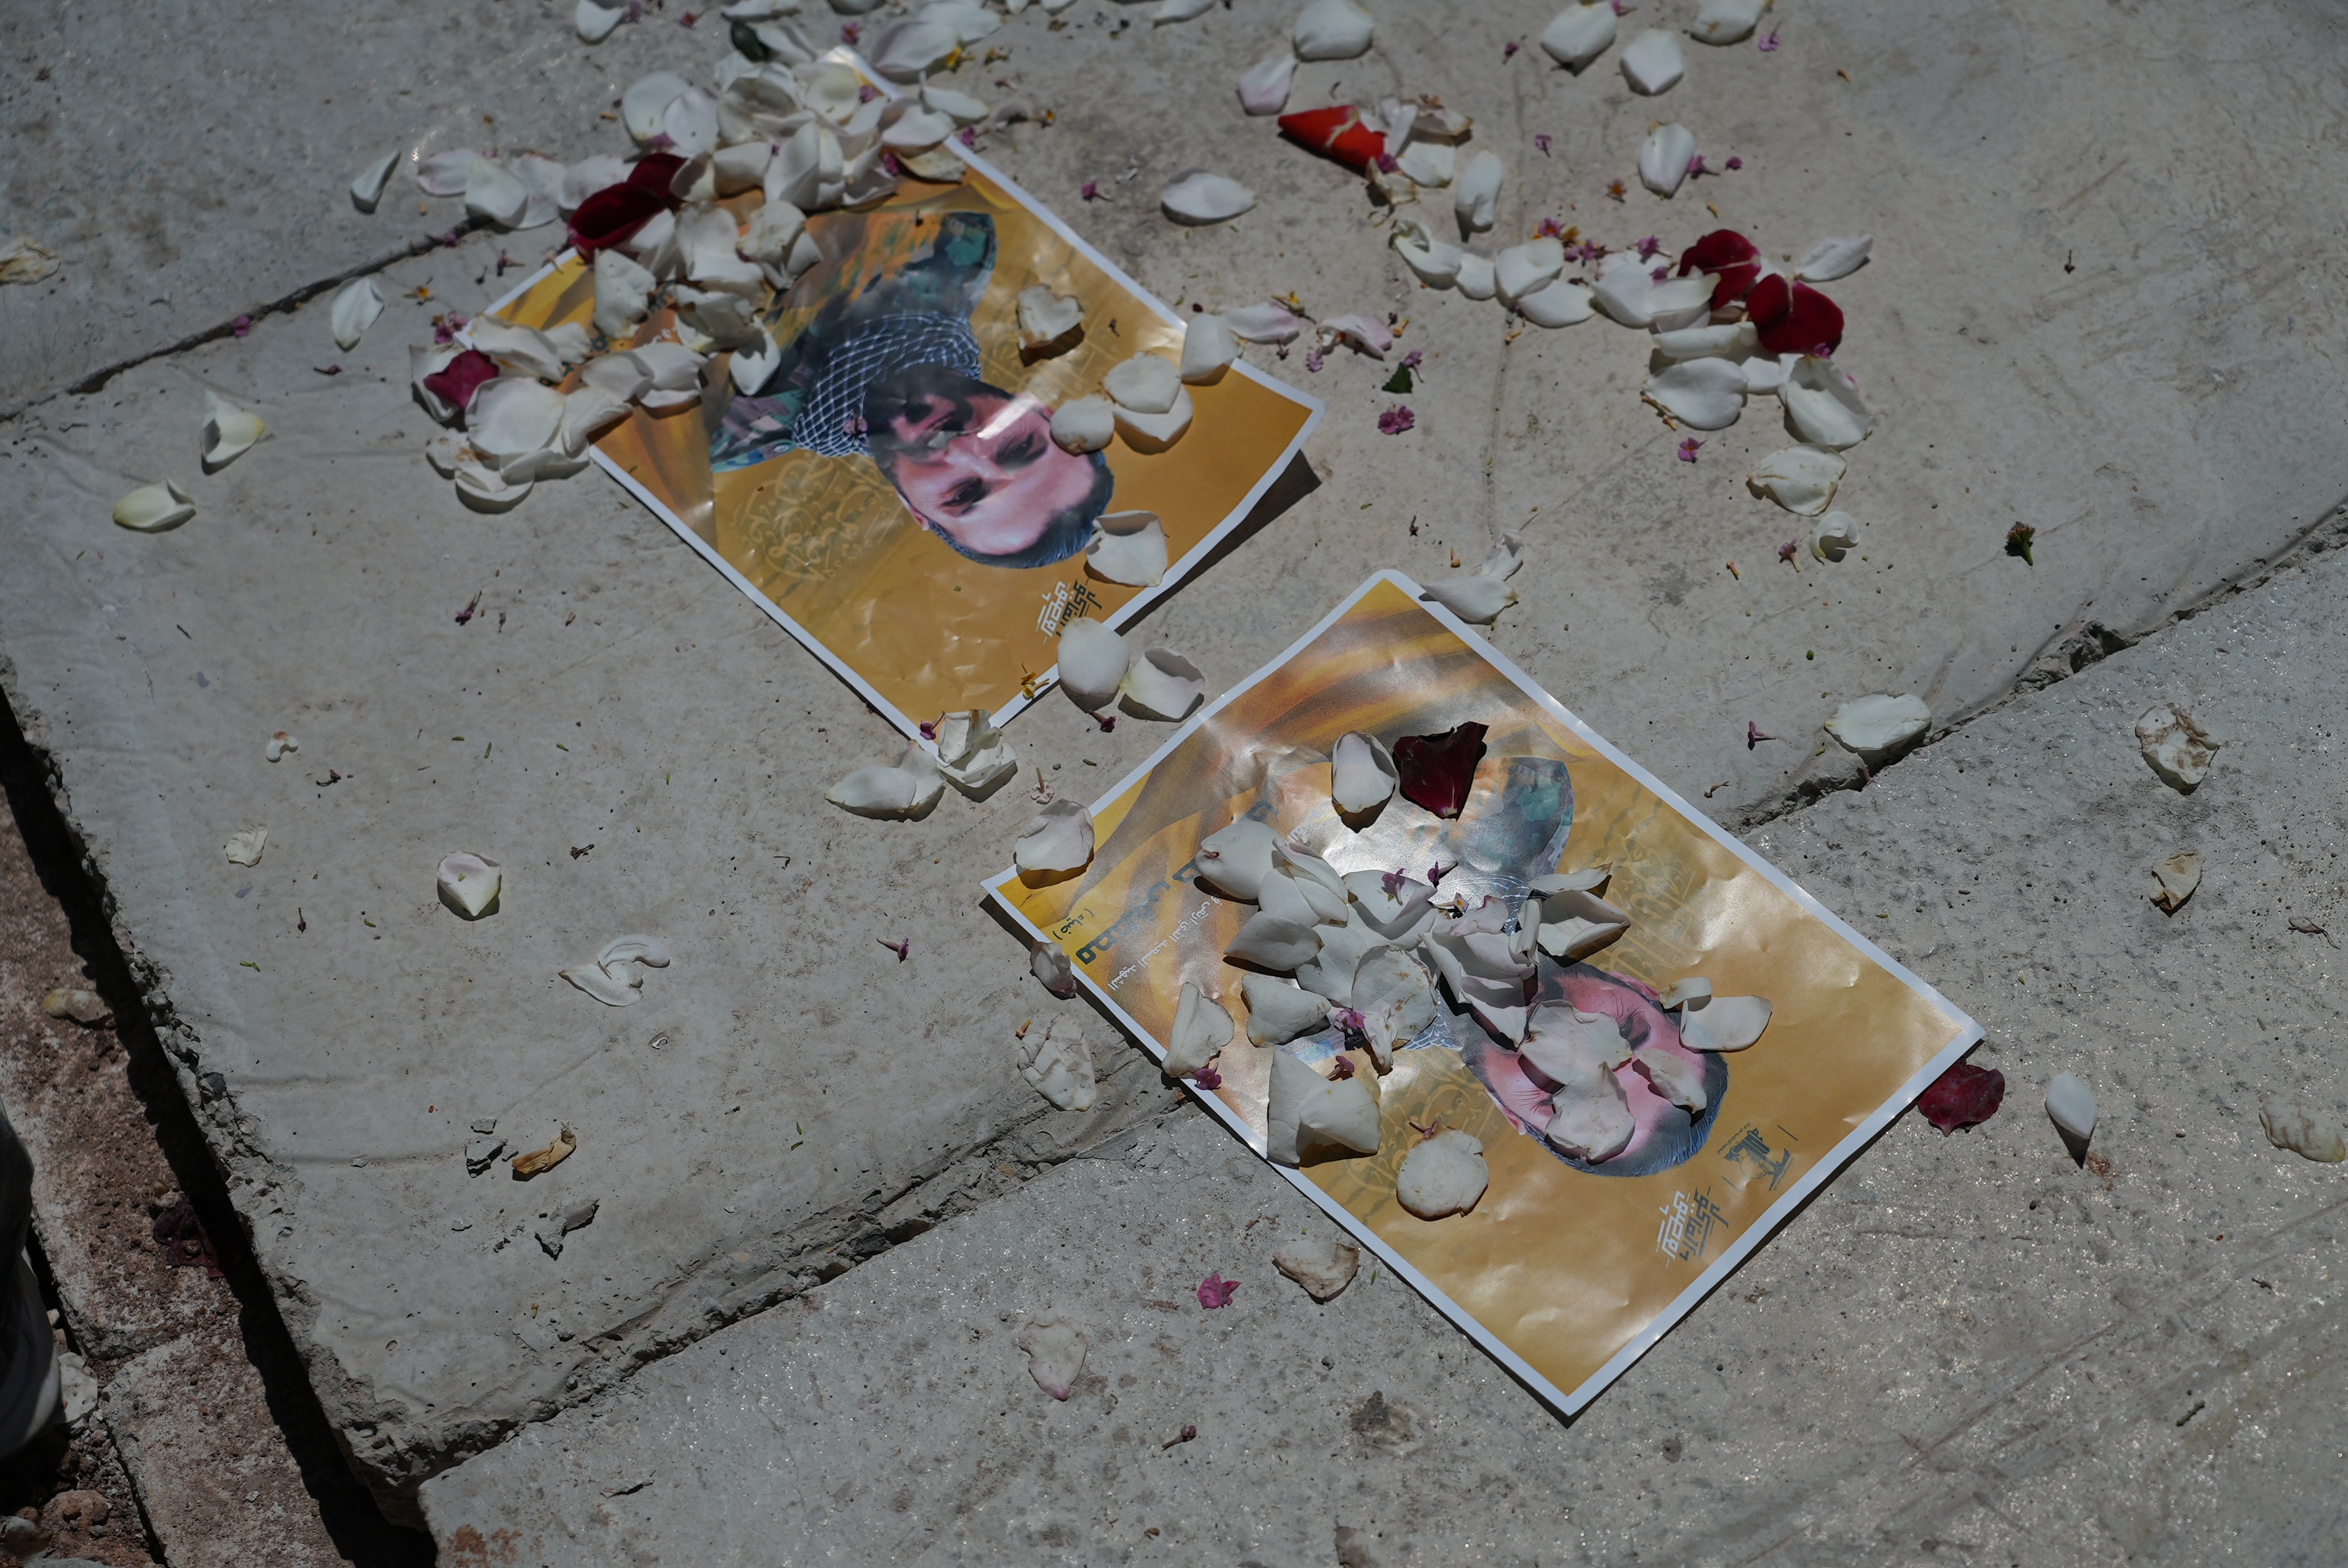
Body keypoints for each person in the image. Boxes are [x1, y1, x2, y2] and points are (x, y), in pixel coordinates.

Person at [710, 210, 1111, 569]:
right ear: (1038, 409)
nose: (960, 450)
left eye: (964, 494)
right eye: (1017, 448)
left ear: (914, 510)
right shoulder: (957, 242)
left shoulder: (719, 440)